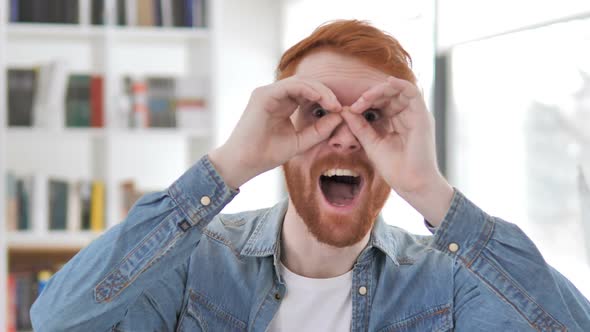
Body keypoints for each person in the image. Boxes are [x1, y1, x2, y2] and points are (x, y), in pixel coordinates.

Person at [31, 20, 590, 331]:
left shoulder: (447, 279)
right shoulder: (196, 261)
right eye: (318, 112)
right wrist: (230, 164)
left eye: (373, 117)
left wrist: (431, 191)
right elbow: (59, 322)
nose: (346, 137)